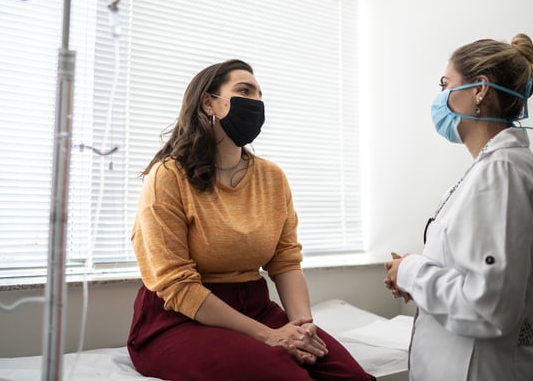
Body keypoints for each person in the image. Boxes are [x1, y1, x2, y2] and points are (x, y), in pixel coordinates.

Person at [127, 59, 375, 381]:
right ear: (209, 102)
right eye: (244, 91)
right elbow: (177, 285)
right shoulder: (168, 177)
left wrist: (302, 327)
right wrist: (269, 335)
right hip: (178, 319)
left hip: (255, 308)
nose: (255, 102)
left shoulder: (272, 177)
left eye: (259, 95)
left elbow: (285, 261)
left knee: (351, 376)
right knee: (287, 376)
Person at [384, 34, 533, 381]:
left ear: (480, 89)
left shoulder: (502, 173)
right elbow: (477, 275)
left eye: (446, 84)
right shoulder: (494, 169)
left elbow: (489, 307)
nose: (440, 97)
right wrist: (416, 280)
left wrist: (410, 271)